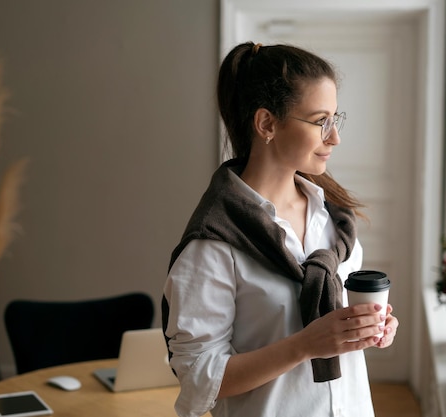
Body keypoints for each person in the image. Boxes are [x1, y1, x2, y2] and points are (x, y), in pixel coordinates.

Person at [162, 41, 399, 417]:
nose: (334, 137)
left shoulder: (334, 223)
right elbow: (199, 379)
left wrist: (373, 327)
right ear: (267, 124)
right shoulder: (214, 243)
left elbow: (340, 330)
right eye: (320, 120)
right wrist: (304, 345)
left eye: (336, 119)